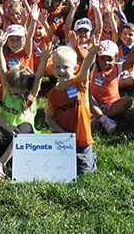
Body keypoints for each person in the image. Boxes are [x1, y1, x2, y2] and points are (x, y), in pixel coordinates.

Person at [0, 30, 51, 180]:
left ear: (24, 89)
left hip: (21, 138)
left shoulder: (30, 96)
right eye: (7, 85)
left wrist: (44, 60)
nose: (7, 88)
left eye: (11, 87)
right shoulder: (7, 89)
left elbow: (39, 77)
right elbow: (2, 68)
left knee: (26, 126)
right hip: (3, 131)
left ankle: (0, 164)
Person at [45, 39, 99, 174]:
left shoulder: (79, 83)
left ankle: (91, 158)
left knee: (84, 172)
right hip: (62, 141)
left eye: (65, 67)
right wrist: (62, 133)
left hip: (82, 139)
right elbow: (49, 117)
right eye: (57, 67)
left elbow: (86, 67)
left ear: (75, 68)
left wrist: (92, 53)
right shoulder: (52, 94)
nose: (61, 70)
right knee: (61, 171)